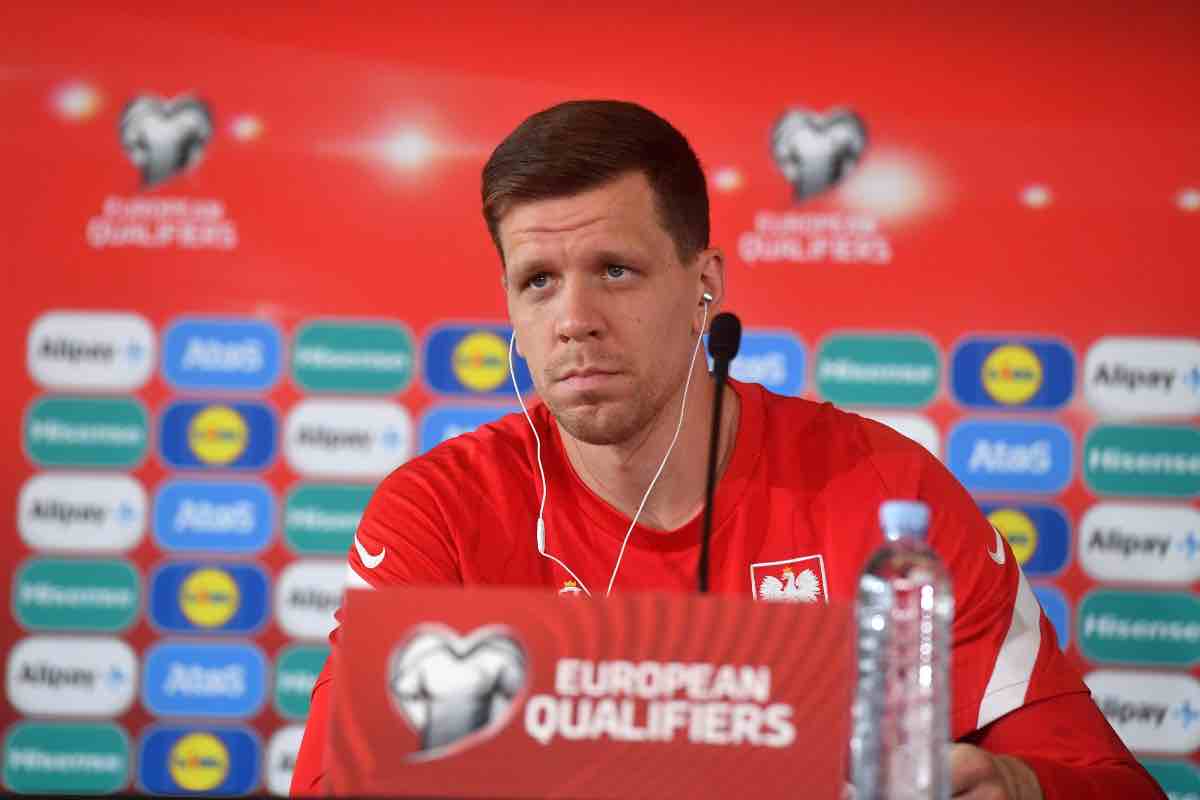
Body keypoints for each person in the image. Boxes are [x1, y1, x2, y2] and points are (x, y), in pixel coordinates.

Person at [291, 100, 1165, 799]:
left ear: (705, 282)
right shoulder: (437, 513)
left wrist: (1017, 786)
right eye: (539, 281)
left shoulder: (887, 494)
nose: (574, 320)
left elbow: (1108, 782)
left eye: (616, 270)